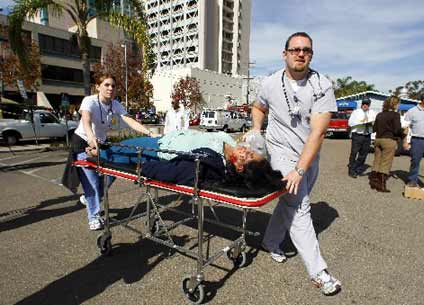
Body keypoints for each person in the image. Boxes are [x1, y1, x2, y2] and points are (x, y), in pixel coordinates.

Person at [250, 32, 341, 296]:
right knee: (299, 206)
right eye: (295, 49)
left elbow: (318, 132)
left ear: (311, 54)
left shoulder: (322, 85)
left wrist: (302, 168)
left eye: (306, 50)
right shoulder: (269, 82)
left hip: (309, 155)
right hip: (280, 152)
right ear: (285, 53)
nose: (300, 54)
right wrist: (257, 130)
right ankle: (318, 272)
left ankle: (270, 241)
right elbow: (258, 107)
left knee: (289, 202)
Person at [62, 73, 153, 231]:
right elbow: (86, 120)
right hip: (84, 143)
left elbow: (129, 120)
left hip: (101, 145)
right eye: (106, 85)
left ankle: (91, 198)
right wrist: (91, 139)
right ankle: (94, 216)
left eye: (113, 85)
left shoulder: (115, 104)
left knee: (112, 173)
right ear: (98, 86)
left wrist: (149, 133)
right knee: (92, 183)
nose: (110, 88)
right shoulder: (89, 101)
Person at [95, 129, 283, 191]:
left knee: (114, 153)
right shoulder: (228, 141)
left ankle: (91, 153)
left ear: (240, 167)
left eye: (248, 156)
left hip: (158, 150)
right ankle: (95, 153)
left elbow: (177, 170)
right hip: (163, 138)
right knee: (116, 151)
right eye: (250, 151)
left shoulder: (214, 162)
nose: (246, 150)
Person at [370, 96, 404, 192]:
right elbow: (397, 130)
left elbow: (374, 128)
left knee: (377, 160)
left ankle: (373, 181)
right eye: (398, 103)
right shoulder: (395, 115)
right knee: (386, 162)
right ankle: (381, 184)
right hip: (389, 140)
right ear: (394, 104)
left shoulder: (380, 114)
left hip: (378, 139)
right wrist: (403, 132)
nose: (399, 105)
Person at [347, 97, 377, 178]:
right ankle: (351, 170)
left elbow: (375, 121)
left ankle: (358, 168)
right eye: (363, 104)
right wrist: (361, 122)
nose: (365, 105)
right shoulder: (356, 112)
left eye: (367, 104)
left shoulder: (372, 112)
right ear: (361, 104)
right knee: (354, 153)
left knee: (364, 153)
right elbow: (350, 123)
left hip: (367, 135)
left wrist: (371, 123)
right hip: (357, 135)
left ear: (369, 105)